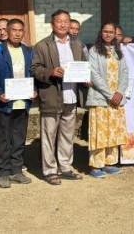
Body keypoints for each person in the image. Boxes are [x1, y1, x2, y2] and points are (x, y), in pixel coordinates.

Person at [31, 10, 86, 185]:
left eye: (66, 21)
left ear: (70, 24)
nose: (63, 25)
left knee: (68, 135)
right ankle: (49, 170)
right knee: (49, 136)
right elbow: (35, 69)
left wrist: (85, 76)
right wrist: (51, 72)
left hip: (71, 96)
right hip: (52, 96)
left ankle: (65, 167)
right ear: (52, 25)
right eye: (59, 21)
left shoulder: (77, 45)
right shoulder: (42, 45)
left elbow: (84, 66)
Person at [0, 19, 36, 189]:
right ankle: (3, 172)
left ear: (23, 32)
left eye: (20, 30)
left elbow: (33, 74)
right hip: (5, 104)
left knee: (19, 138)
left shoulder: (28, 51)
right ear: (7, 31)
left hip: (23, 102)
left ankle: (16, 170)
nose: (17, 33)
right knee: (4, 139)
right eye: (13, 30)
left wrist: (34, 89)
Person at [86, 22, 130, 178]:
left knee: (113, 131)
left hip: (116, 99)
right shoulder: (94, 51)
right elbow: (94, 75)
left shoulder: (118, 52)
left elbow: (125, 73)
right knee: (100, 132)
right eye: (105, 31)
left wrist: (119, 92)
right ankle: (96, 165)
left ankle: (109, 162)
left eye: (111, 32)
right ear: (101, 33)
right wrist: (110, 95)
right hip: (100, 98)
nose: (108, 34)